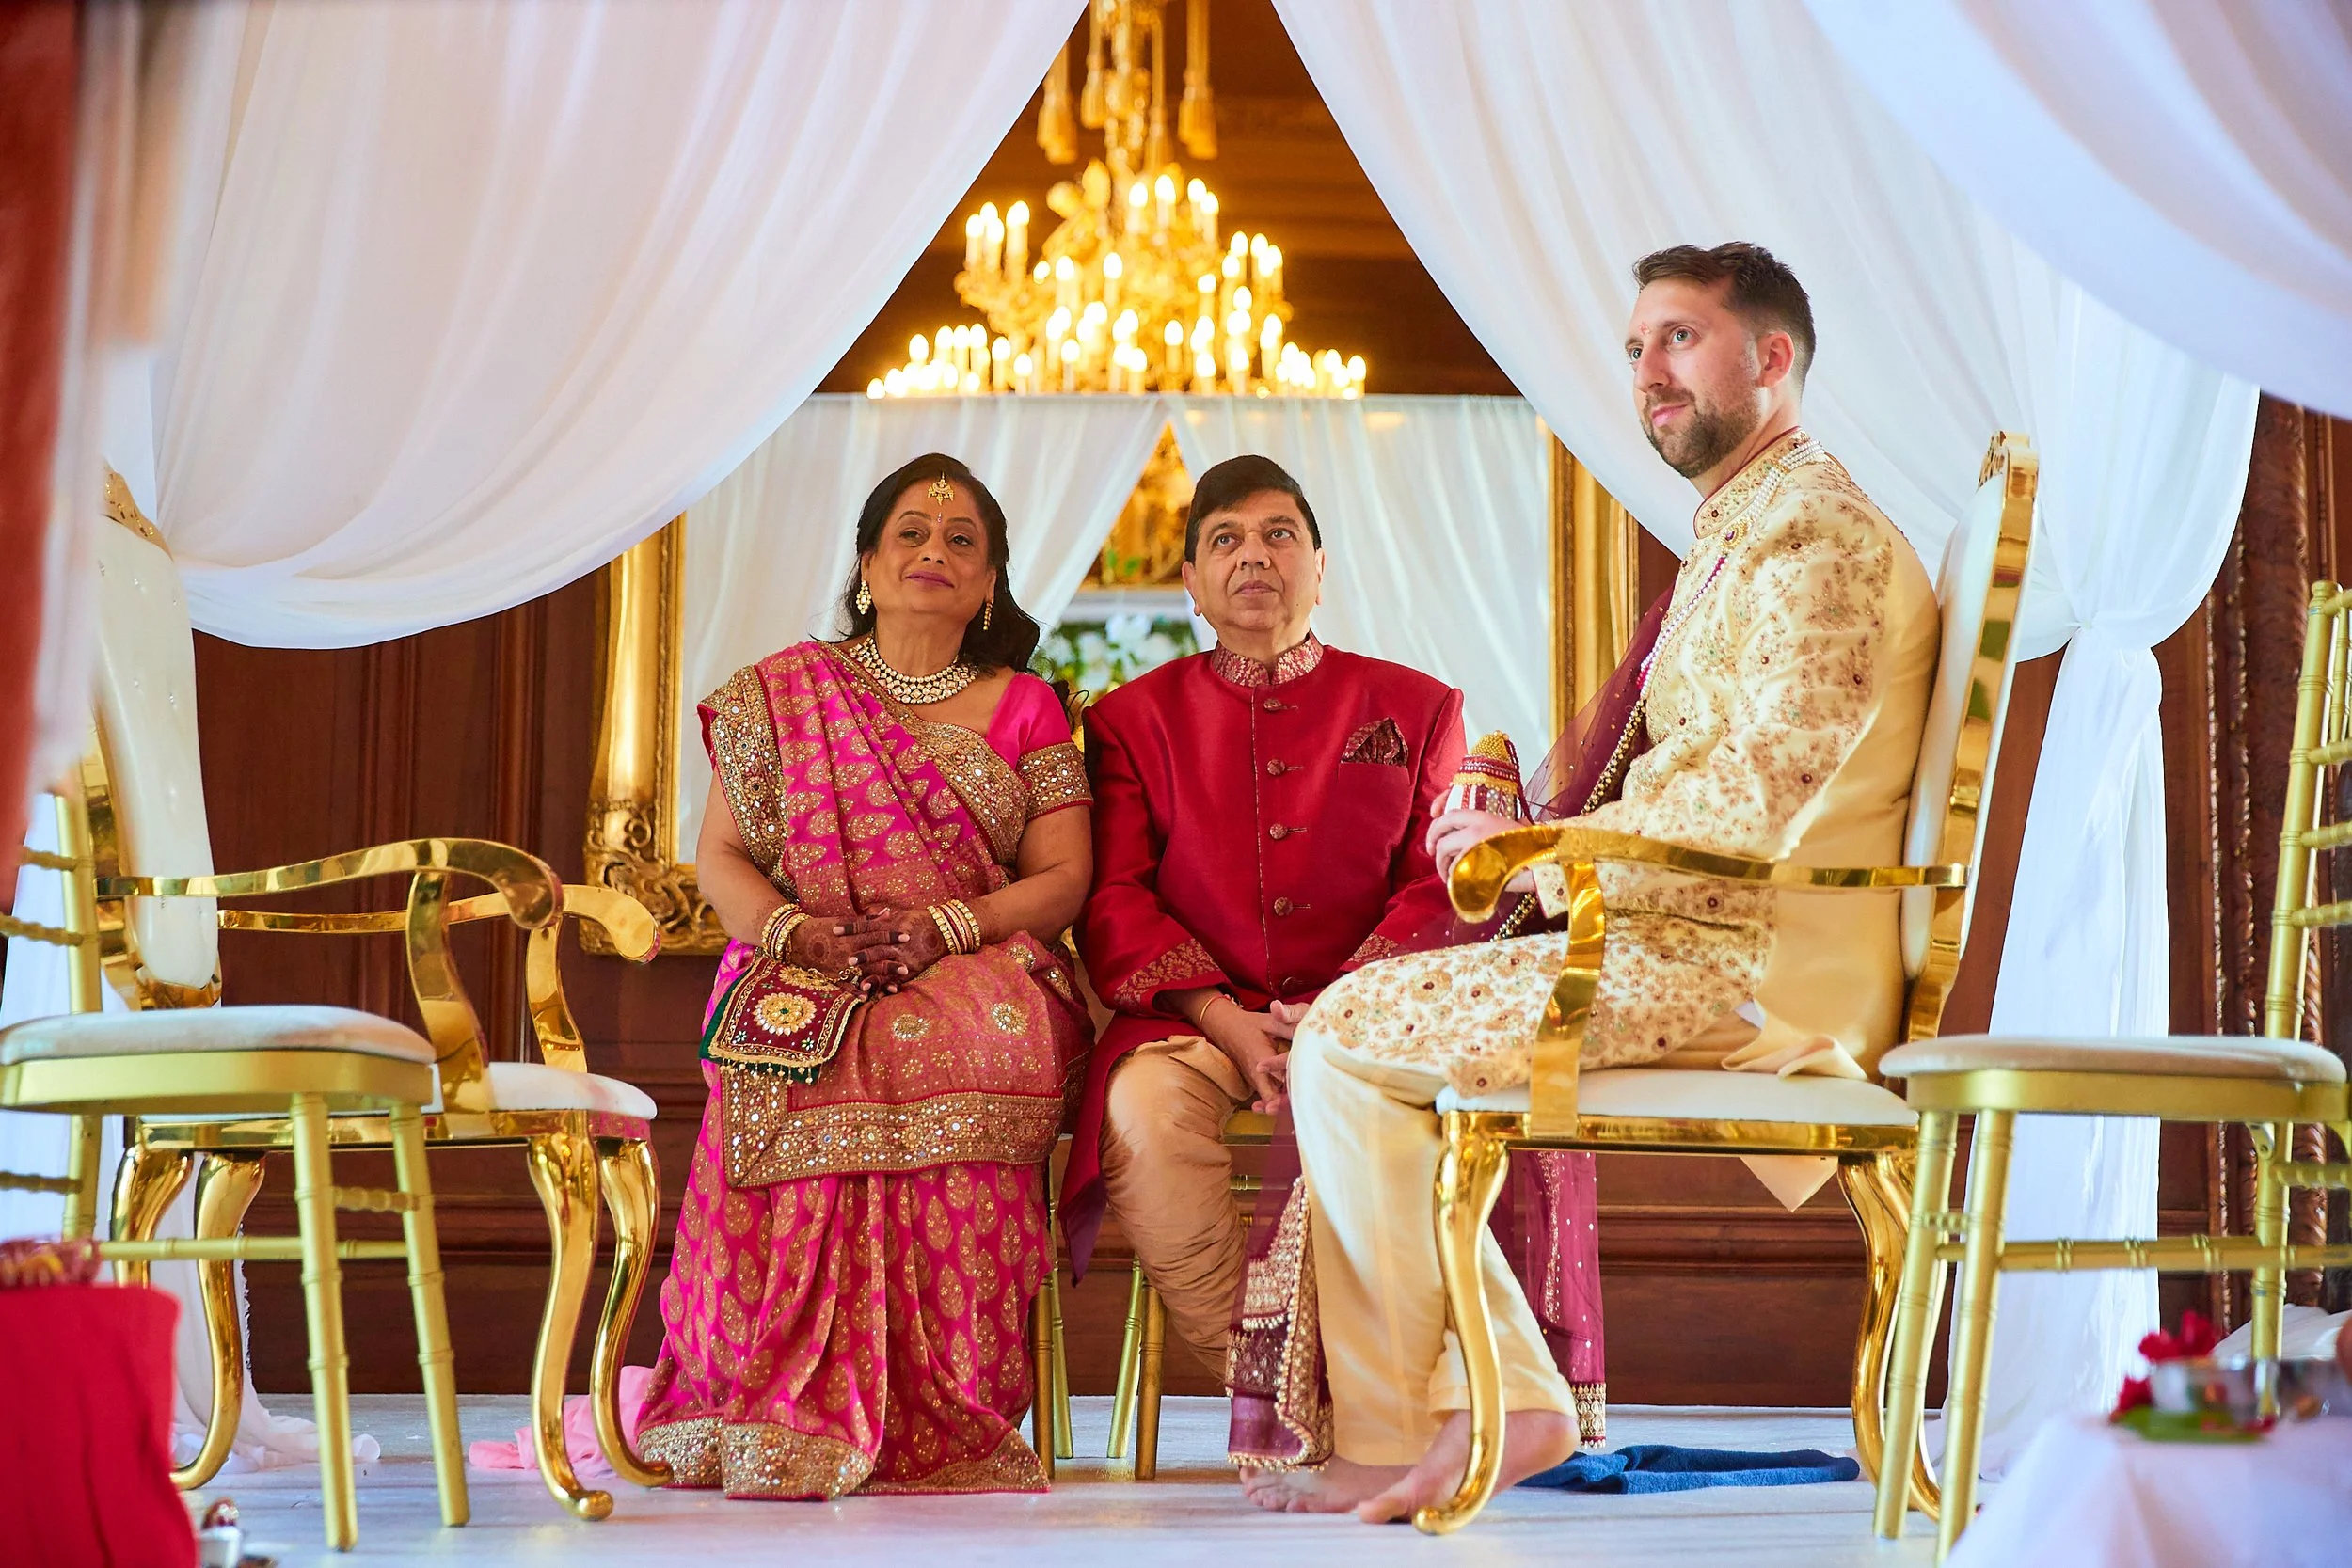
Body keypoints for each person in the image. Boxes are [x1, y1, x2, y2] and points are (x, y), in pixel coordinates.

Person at [1244, 242, 1939, 1520]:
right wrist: (1528, 828)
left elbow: (1764, 786)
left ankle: (1490, 1403)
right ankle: (1466, 1406)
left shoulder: (1815, 533)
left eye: (1678, 338)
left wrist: (1545, 855)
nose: (1648, 375)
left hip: (1741, 961)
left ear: (1771, 359)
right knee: (1353, 1036)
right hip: (1688, 933)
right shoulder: (1748, 525)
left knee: (1343, 1041)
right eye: (1635, 350)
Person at [635, 453, 1093, 1498]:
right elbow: (723, 858)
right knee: (783, 1051)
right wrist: (791, 932)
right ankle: (755, 1386)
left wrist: (944, 924)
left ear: (988, 584)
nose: (933, 550)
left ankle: (946, 1398)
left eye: (961, 540)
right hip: (812, 951)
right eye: (911, 534)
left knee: (935, 1037)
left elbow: (1064, 878)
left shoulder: (1028, 705)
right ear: (866, 563)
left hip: (977, 953)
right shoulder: (781, 694)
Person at [1060, 455, 1468, 1376]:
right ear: (1191, 584)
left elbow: (1434, 883)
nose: (1254, 555)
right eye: (1226, 539)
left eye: (1279, 534)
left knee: (1420, 1118)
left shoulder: (1417, 705)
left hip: (1366, 1019)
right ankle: (1272, 1382)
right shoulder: (1131, 719)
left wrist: (1336, 1010)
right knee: (1141, 1110)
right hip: (1194, 1020)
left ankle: (1389, 1378)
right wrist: (1226, 1021)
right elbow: (1115, 895)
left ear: (1320, 566)